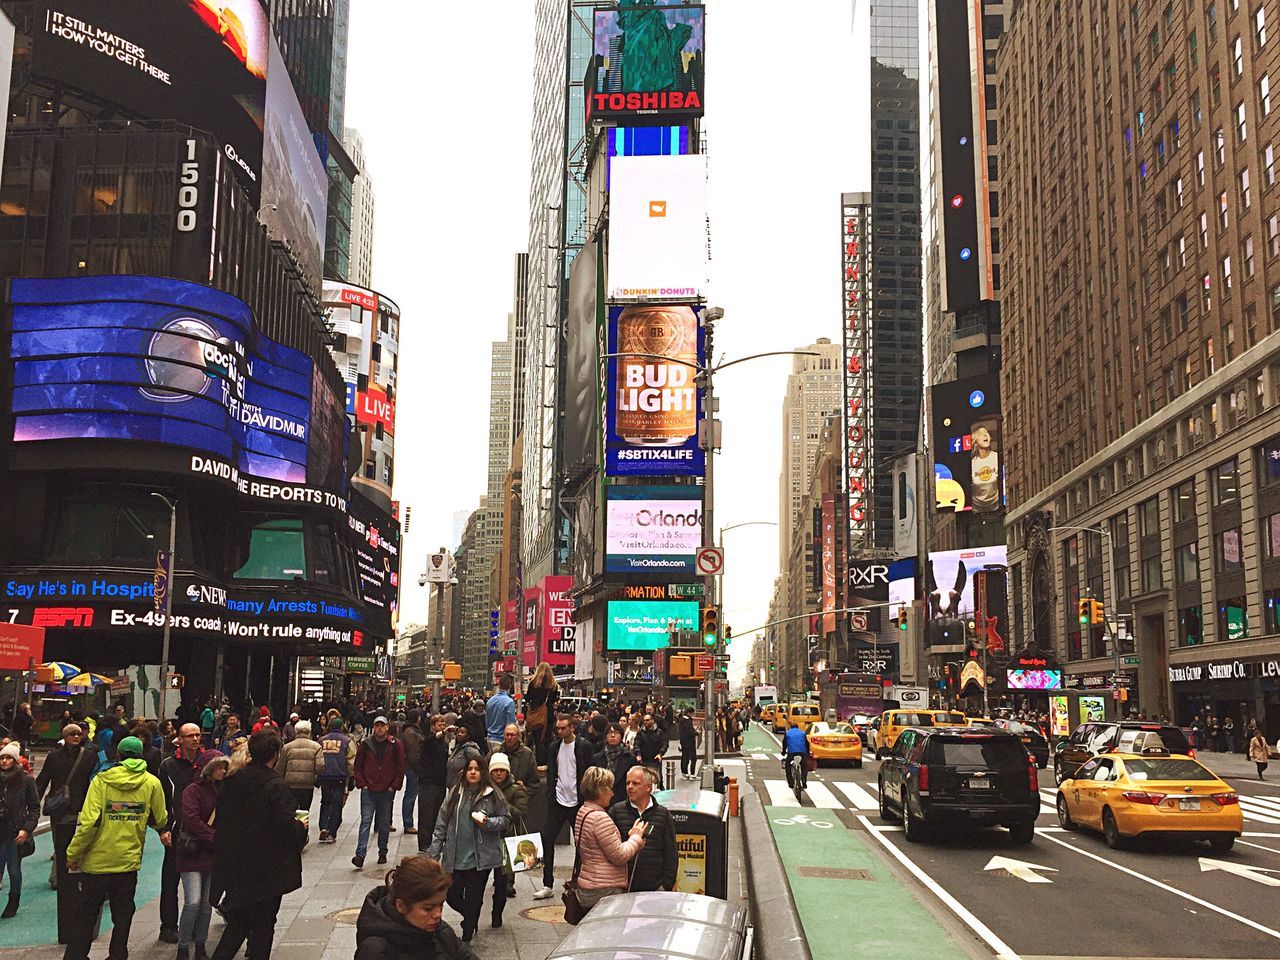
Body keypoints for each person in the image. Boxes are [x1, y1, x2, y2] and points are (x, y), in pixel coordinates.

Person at [64, 736, 171, 960]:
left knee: (86, 916)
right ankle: (117, 955)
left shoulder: (101, 781)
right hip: (127, 862)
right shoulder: (151, 782)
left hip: (96, 862)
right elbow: (161, 817)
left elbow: (89, 823)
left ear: (118, 755)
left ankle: (76, 956)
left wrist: (73, 854)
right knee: (123, 915)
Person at [210, 731, 307, 960]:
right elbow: (285, 828)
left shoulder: (231, 782)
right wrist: (300, 827)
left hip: (237, 865)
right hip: (268, 870)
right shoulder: (277, 787)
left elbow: (222, 822)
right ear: (275, 754)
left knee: (239, 923)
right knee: (264, 925)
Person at [425, 756, 510, 942]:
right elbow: (441, 824)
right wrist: (434, 854)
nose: (472, 772)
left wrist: (487, 822)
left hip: (480, 858)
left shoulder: (491, 794)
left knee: (474, 896)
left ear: (482, 772)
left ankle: (468, 932)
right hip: (454, 856)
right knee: (451, 895)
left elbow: (505, 819)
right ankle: (471, 916)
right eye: (469, 769)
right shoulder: (454, 793)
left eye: (477, 769)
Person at [157, 723, 220, 944]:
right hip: (176, 832)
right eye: (189, 736)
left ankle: (194, 927)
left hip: (204, 832)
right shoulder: (168, 765)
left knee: (201, 887)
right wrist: (162, 828)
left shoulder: (208, 762)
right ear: (179, 740)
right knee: (170, 881)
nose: (195, 739)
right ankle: (168, 926)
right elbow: (162, 799)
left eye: (197, 735)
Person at [35, 722, 96, 942]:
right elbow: (43, 780)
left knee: (80, 842)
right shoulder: (54, 757)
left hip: (81, 806)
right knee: (60, 844)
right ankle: (59, 876)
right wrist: (34, 802)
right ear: (65, 736)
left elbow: (93, 780)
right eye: (72, 734)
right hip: (59, 807)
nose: (76, 737)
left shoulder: (89, 755)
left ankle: (76, 876)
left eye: (79, 734)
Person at [354, 855, 478, 960]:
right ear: (401, 906)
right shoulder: (376, 951)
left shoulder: (442, 933)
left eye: (441, 905)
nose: (438, 914)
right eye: (428, 908)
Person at [532, 714, 597, 900]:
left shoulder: (583, 746)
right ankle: (547, 883)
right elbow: (553, 771)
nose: (559, 731)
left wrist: (588, 799)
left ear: (572, 728)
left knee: (582, 844)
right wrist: (551, 795)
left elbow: (590, 771)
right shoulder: (554, 747)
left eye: (563, 728)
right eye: (558, 728)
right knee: (547, 839)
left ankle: (578, 881)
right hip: (558, 801)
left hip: (578, 801)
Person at [176, 754, 230, 960]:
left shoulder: (221, 790)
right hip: (193, 852)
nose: (223, 772)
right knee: (193, 901)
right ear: (210, 768)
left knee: (207, 903)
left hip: (210, 853)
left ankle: (200, 945)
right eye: (220, 768)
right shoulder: (193, 790)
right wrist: (214, 837)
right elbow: (190, 819)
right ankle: (183, 946)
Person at [573, 766, 645, 912]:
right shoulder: (600, 818)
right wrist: (636, 838)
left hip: (588, 885)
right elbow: (619, 856)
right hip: (604, 889)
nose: (612, 793)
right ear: (600, 790)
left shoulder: (583, 812)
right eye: (609, 789)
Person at [609, 766, 676, 893]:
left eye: (635, 783)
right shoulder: (616, 811)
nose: (630, 787)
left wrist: (665, 885)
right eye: (628, 783)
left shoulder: (663, 814)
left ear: (648, 788)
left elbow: (671, 853)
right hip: (624, 888)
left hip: (654, 889)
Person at [352, 717, 406, 869]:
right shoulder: (366, 744)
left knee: (383, 822)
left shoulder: (395, 744)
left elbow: (400, 766)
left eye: (382, 726)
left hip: (386, 789)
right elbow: (358, 765)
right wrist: (362, 783)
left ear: (387, 727)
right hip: (369, 788)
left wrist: (394, 785)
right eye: (377, 726)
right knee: (366, 820)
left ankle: (383, 851)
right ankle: (360, 854)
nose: (379, 729)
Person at [485, 752, 528, 925]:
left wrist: (503, 804)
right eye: (495, 771)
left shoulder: (516, 790)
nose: (499, 774)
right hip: (486, 841)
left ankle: (497, 914)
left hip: (507, 840)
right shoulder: (483, 788)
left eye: (502, 770)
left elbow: (521, 813)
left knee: (502, 883)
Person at [0, 741, 39, 918]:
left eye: (8, 758)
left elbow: (34, 809)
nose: (4, 761)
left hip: (14, 832)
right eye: (2, 757)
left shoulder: (26, 781)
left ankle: (13, 901)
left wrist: (26, 829)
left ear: (15, 760)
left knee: (14, 870)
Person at [317, 717, 357, 844]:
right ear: (341, 727)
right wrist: (351, 777)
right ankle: (332, 832)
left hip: (324, 775)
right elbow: (351, 761)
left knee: (325, 801)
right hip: (339, 776)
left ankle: (323, 826)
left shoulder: (322, 740)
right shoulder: (347, 741)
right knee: (337, 804)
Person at [417, 715, 450, 852]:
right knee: (426, 814)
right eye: (439, 725)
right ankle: (424, 843)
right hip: (428, 783)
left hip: (439, 783)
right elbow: (428, 741)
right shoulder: (429, 740)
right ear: (433, 726)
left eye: (443, 725)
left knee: (437, 813)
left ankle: (434, 843)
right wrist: (442, 733)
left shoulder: (443, 742)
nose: (442, 727)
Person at [278, 720, 324, 812]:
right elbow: (320, 766)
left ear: (296, 731)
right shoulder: (316, 747)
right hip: (307, 784)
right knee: (304, 810)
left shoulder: (287, 747)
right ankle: (304, 826)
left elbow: (280, 767)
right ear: (309, 731)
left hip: (290, 784)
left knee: (291, 810)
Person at [593, 724, 637, 807]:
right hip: (602, 802)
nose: (613, 735)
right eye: (609, 733)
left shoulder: (629, 758)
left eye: (616, 733)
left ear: (621, 736)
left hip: (623, 802)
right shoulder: (597, 758)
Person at [523, 663, 559, 764]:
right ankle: (548, 762)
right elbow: (555, 699)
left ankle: (539, 763)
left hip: (536, 714)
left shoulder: (533, 683)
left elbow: (527, 698)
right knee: (547, 739)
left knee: (537, 740)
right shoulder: (553, 685)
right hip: (548, 714)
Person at [399, 710, 424, 835]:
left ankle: (408, 822)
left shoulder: (410, 730)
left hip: (411, 766)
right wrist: (418, 768)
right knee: (410, 794)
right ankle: (408, 823)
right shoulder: (411, 732)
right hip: (412, 767)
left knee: (411, 794)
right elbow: (413, 753)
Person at [501, 724, 540, 792]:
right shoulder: (496, 753)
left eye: (512, 735)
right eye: (507, 735)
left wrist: (524, 791)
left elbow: (534, 782)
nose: (509, 737)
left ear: (519, 736)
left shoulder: (528, 754)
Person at [484, 676, 517, 753]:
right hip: (501, 740)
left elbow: (487, 721)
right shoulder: (509, 702)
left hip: (490, 738)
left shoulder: (490, 701)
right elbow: (510, 724)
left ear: (499, 685)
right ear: (510, 686)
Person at [445, 723, 483, 789]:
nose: (459, 734)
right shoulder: (457, 748)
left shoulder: (470, 749)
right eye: (458, 732)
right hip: (452, 787)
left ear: (468, 735)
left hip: (464, 786)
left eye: (462, 732)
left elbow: (480, 764)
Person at [635, 713, 666, 787]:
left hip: (655, 760)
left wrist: (660, 754)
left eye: (648, 720)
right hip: (644, 760)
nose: (645, 722)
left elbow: (664, 744)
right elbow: (636, 744)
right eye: (644, 720)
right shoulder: (640, 732)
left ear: (652, 721)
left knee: (657, 780)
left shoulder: (659, 732)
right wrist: (638, 754)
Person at [783, 717, 810, 790]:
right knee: (804, 765)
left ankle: (790, 783)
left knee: (787, 765)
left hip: (791, 752)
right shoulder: (802, 733)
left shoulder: (788, 733)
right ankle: (804, 780)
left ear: (790, 727)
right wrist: (807, 753)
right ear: (798, 727)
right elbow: (807, 744)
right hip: (802, 752)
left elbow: (784, 743)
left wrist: (783, 751)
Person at [678, 708, 698, 780]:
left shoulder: (681, 720)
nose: (693, 715)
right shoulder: (688, 721)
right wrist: (696, 732)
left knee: (684, 757)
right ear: (689, 713)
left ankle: (684, 772)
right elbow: (689, 732)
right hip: (689, 742)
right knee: (693, 758)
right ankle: (692, 774)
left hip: (683, 742)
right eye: (692, 713)